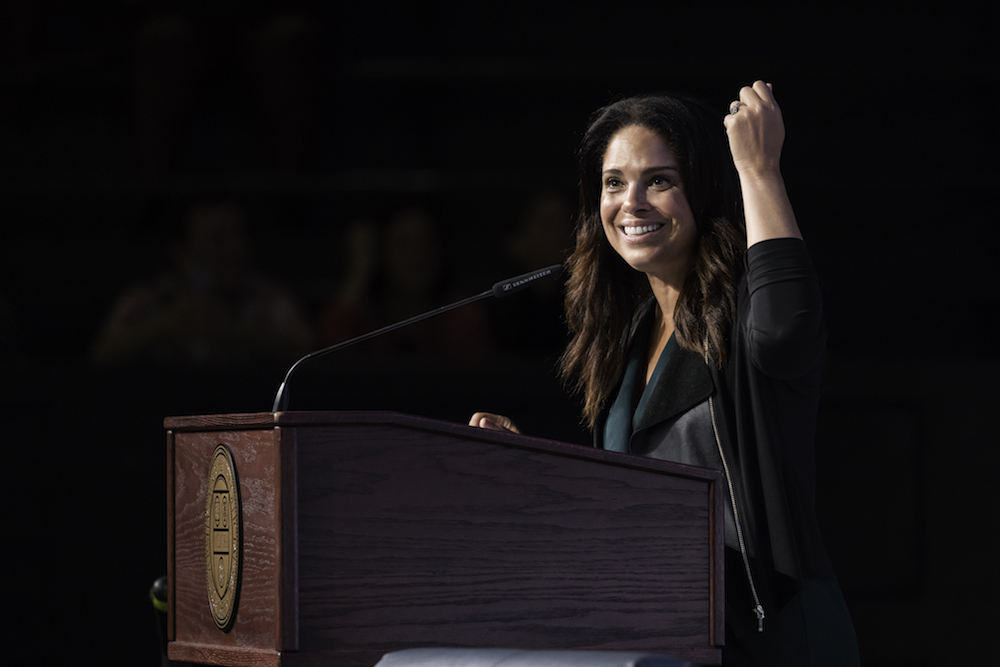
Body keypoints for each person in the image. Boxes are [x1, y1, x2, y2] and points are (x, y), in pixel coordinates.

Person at [469, 81, 860, 666]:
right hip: (669, 632)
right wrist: (533, 469)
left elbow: (786, 329)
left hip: (771, 634)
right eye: (613, 183)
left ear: (704, 191)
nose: (632, 202)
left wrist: (758, 170)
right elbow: (628, 510)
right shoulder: (628, 338)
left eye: (660, 180)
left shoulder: (745, 308)